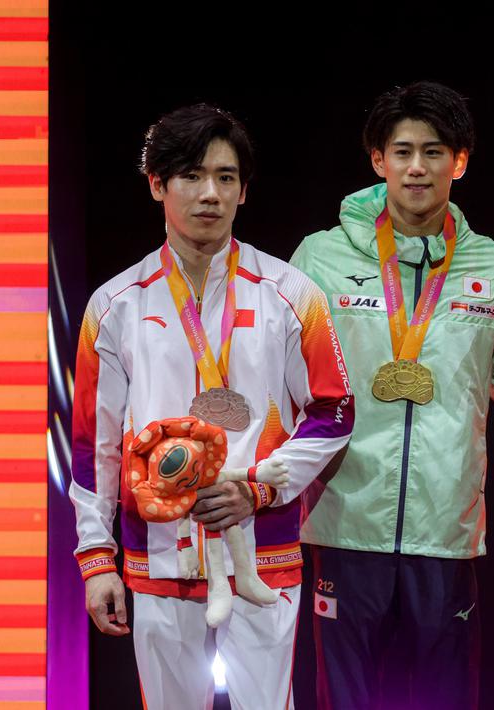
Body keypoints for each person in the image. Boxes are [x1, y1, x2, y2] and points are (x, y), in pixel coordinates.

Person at [69, 103, 353, 710]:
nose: (210, 194)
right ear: (156, 184)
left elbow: (334, 413)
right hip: (157, 553)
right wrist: (98, 560)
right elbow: (95, 446)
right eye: (192, 176)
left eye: (226, 178)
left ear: (244, 191)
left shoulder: (290, 294)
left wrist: (260, 490)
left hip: (263, 549)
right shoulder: (113, 305)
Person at [290, 81, 494, 710]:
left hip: (446, 528)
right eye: (402, 151)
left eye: (434, 151)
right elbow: (283, 382)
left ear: (460, 160)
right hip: (343, 517)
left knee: (447, 696)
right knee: (344, 697)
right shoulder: (319, 257)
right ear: (377, 160)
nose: (417, 167)